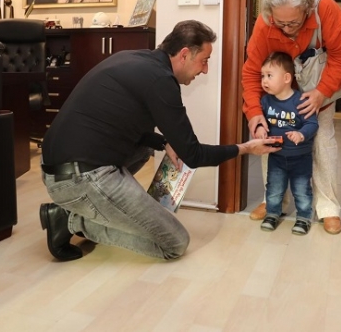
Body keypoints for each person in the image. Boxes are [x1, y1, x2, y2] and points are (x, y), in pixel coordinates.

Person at [39, 20, 280, 261]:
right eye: (204, 61)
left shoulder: (137, 60)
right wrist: (245, 148)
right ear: (184, 54)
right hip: (77, 178)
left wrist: (164, 142)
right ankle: (70, 219)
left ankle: (95, 208)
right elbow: (193, 155)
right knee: (174, 243)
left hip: (58, 166)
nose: (205, 70)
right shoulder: (161, 82)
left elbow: (120, 124)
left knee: (145, 148)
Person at [242, 0, 341, 235]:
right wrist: (254, 114)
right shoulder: (265, 22)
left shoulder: (325, 8)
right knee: (270, 139)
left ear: (307, 8)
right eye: (281, 23)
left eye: (293, 22)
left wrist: (321, 93)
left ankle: (327, 208)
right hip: (278, 96)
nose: (287, 28)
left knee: (322, 140)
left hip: (317, 89)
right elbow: (251, 71)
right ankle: (275, 203)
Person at [255, 52, 318, 235]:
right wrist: (260, 128)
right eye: (262, 76)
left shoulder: (301, 101)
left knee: (301, 190)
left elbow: (312, 123)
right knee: (273, 188)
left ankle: (304, 218)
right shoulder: (266, 101)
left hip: (300, 157)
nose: (264, 81)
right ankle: (272, 214)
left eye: (269, 76)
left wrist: (301, 134)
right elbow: (261, 121)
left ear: (286, 78)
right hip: (276, 156)